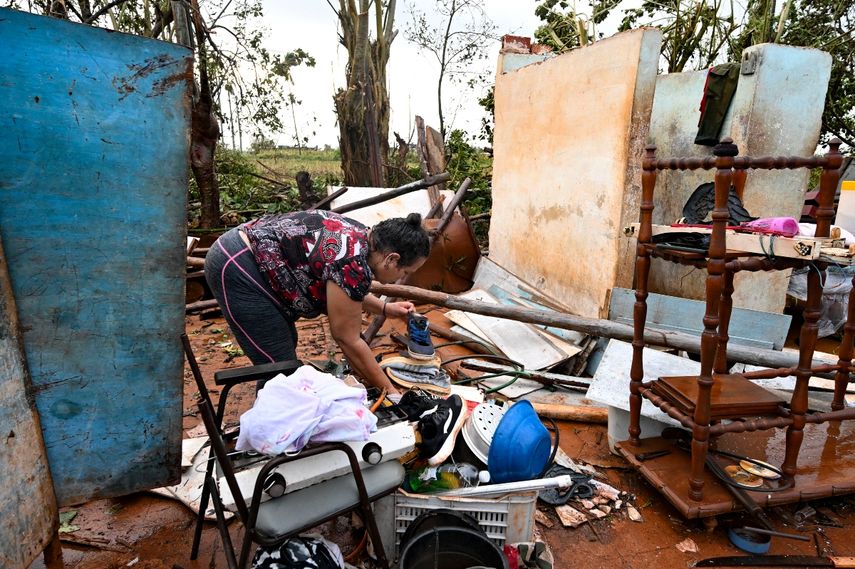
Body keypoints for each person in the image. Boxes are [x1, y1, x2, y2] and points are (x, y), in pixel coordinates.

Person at [204, 209, 430, 397]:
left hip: (246, 256)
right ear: (392, 259)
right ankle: (272, 439)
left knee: (284, 347)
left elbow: (347, 292)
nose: (401, 279)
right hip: (239, 267)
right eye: (405, 272)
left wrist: (384, 308)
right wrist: (390, 392)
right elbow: (347, 338)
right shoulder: (351, 260)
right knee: (280, 370)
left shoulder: (365, 239)